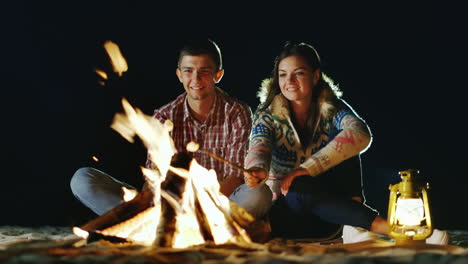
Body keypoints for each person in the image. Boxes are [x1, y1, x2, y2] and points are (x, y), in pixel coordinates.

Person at [70, 38, 272, 220]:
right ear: (179, 75)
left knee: (259, 194)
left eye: (205, 71)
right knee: (83, 179)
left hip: (217, 207)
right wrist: (169, 206)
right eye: (188, 71)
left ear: (218, 75)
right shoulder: (165, 115)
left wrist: (199, 207)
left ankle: (200, 227)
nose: (196, 79)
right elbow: (153, 176)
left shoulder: (237, 112)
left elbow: (234, 177)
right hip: (168, 208)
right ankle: (151, 222)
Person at [243, 41, 388, 240]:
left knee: (345, 139)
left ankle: (355, 227)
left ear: (315, 76)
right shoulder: (267, 114)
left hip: (333, 214)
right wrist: (256, 168)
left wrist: (306, 169)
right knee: (299, 187)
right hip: (289, 213)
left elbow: (361, 133)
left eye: (299, 73)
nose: (290, 81)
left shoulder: (331, 107)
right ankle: (390, 228)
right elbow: (259, 147)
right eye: (283, 74)